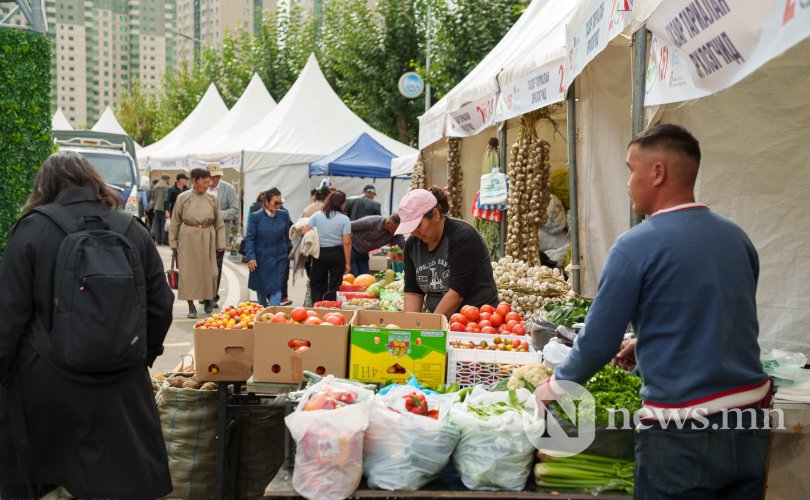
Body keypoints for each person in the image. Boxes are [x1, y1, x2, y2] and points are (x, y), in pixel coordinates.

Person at [536, 124, 771, 499]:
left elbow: (598, 343)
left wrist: (555, 386)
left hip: (681, 432)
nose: (628, 182)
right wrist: (645, 342)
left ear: (657, 173)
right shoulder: (737, 237)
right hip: (751, 424)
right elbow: (718, 314)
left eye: (631, 169)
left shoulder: (635, 246)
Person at [0, 151, 174, 499]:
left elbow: (8, 315)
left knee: (25, 472)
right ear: (95, 181)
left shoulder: (32, 229)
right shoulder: (132, 230)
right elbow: (162, 306)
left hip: (44, 384)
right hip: (122, 386)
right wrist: (140, 356)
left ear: (44, 187)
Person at [398, 187, 498, 316]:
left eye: (418, 226)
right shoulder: (413, 244)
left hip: (477, 319)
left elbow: (456, 293)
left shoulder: (463, 236)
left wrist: (433, 328)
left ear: (436, 215)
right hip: (441, 319)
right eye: (410, 228)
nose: (414, 232)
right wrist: (411, 327)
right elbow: (413, 291)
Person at [169, 168, 225, 317]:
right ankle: (191, 306)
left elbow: (219, 223)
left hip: (207, 238)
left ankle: (208, 298)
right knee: (188, 274)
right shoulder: (183, 197)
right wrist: (173, 244)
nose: (208, 185)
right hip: (187, 238)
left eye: (209, 182)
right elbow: (175, 221)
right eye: (205, 182)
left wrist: (221, 243)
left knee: (211, 272)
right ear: (194, 181)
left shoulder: (213, 199)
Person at [301, 190, 351, 302]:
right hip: (337, 254)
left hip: (320, 253)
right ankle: (332, 309)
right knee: (335, 284)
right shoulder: (344, 219)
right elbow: (346, 242)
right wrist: (347, 263)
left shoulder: (317, 215)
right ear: (341, 204)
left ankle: (318, 308)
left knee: (317, 284)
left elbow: (304, 231)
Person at [245, 188, 291, 306]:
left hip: (279, 258)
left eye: (281, 203)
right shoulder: (256, 217)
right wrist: (251, 257)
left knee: (277, 288)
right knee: (262, 289)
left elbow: (288, 235)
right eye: (276, 203)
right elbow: (250, 238)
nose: (279, 205)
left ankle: (271, 315)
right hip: (261, 259)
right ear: (266, 201)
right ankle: (263, 311)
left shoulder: (284, 215)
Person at [207, 162, 239, 309]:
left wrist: (216, 215)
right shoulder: (200, 188)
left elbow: (234, 210)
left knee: (216, 266)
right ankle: (204, 294)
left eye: (218, 176)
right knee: (202, 266)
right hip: (201, 234)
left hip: (220, 233)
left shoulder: (229, 189)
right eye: (213, 176)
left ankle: (213, 295)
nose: (216, 179)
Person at [151, 173, 170, 244]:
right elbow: (167, 199)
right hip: (163, 208)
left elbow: (153, 198)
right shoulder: (167, 187)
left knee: (157, 225)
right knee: (163, 225)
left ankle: (157, 240)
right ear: (167, 179)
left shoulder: (155, 187)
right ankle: (163, 240)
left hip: (156, 208)